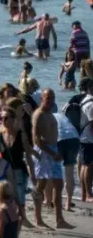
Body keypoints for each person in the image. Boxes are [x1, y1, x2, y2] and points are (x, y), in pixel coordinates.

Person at [32, 88, 72, 229]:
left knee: (59, 185)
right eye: (47, 98)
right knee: (41, 186)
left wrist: (57, 151)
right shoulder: (39, 114)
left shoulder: (50, 114)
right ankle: (38, 219)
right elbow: (36, 139)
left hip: (53, 151)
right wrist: (51, 152)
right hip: (44, 153)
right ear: (42, 98)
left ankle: (59, 220)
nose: (50, 100)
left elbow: (54, 135)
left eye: (52, 97)